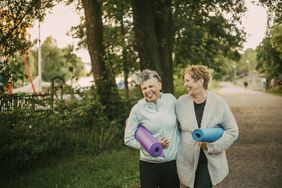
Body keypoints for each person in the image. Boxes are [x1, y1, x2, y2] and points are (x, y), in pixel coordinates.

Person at [176, 65, 239, 188]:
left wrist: (211, 146)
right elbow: (173, 127)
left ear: (200, 81)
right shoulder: (181, 103)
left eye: (188, 80)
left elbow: (232, 131)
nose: (185, 84)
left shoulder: (219, 103)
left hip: (209, 161)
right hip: (187, 161)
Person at [124, 69, 180, 188]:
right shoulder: (137, 109)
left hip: (172, 163)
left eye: (151, 86)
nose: (148, 90)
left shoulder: (171, 100)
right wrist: (151, 144)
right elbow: (128, 138)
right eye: (144, 88)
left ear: (159, 85)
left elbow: (182, 123)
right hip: (149, 165)